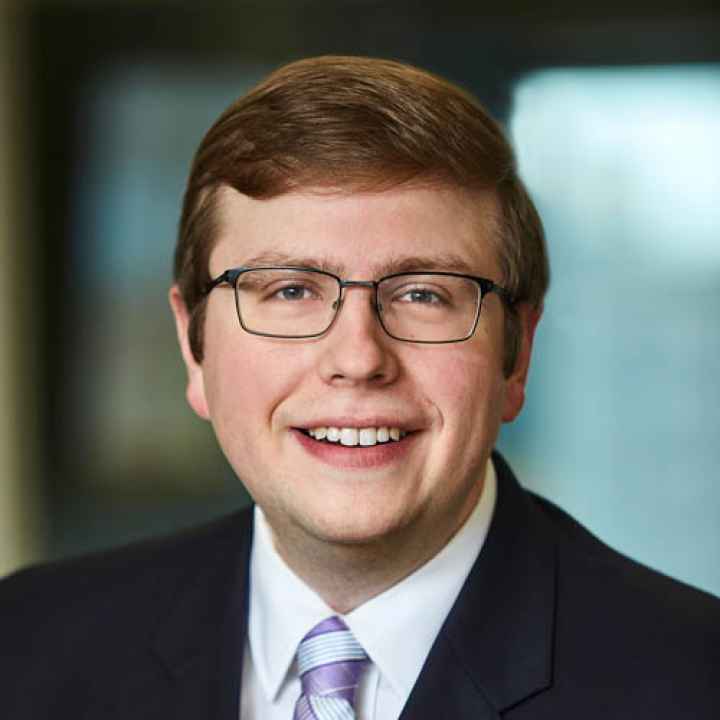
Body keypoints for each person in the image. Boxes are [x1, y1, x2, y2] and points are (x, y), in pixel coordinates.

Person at [1, 55, 718, 720]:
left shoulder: (691, 680)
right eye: (289, 290)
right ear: (194, 348)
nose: (358, 358)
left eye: (424, 294)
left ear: (516, 355)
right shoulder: (28, 646)